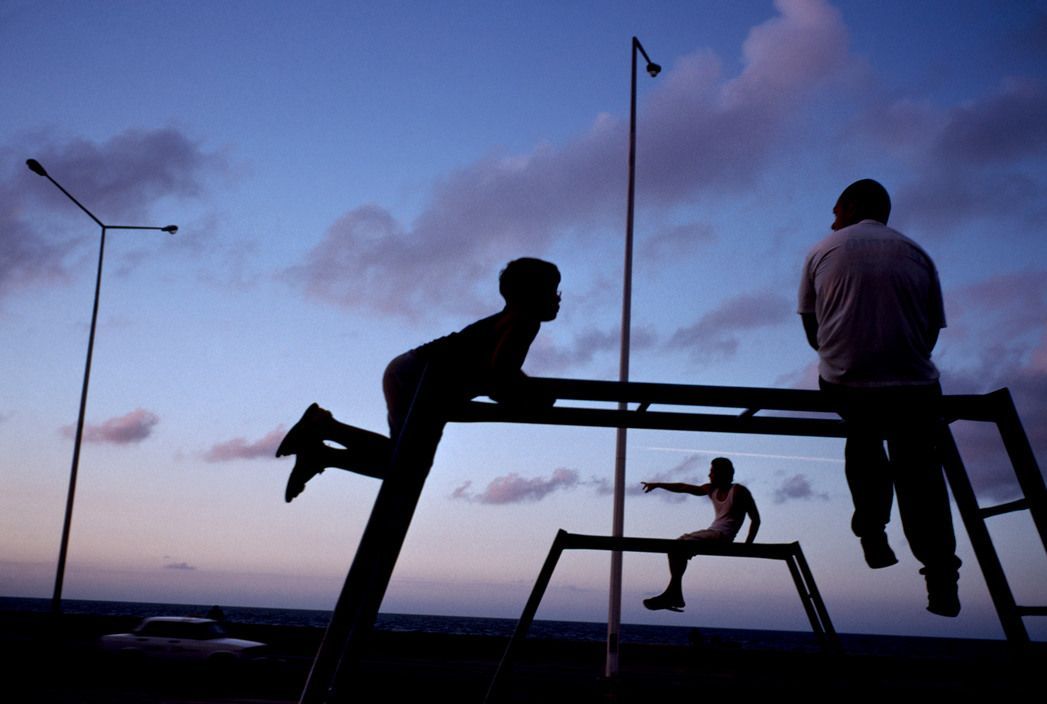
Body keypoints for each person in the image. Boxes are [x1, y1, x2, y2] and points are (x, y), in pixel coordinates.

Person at [798, 178, 962, 617]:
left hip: (847, 383)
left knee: (863, 439)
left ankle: (871, 531)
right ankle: (941, 573)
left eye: (835, 211)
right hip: (913, 385)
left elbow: (812, 330)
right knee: (920, 469)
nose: (832, 221)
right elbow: (930, 332)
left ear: (851, 208)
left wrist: (848, 358)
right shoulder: (918, 254)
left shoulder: (821, 250)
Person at [275, 257, 561, 502]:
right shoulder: (523, 322)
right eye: (552, 291)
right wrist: (533, 396)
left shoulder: (508, 321)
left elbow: (500, 371)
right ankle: (323, 427)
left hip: (411, 374)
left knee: (400, 463)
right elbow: (501, 375)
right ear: (531, 295)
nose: (558, 298)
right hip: (417, 379)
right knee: (404, 466)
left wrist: (526, 392)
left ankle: (323, 448)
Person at [640, 457, 760, 612]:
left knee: (677, 546)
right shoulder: (711, 489)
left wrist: (747, 546)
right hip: (712, 533)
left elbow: (755, 519)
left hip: (722, 536)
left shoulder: (738, 491)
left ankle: (673, 595)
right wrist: (658, 484)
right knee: (676, 549)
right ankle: (674, 594)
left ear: (722, 474)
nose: (709, 475)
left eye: (712, 472)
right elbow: (684, 487)